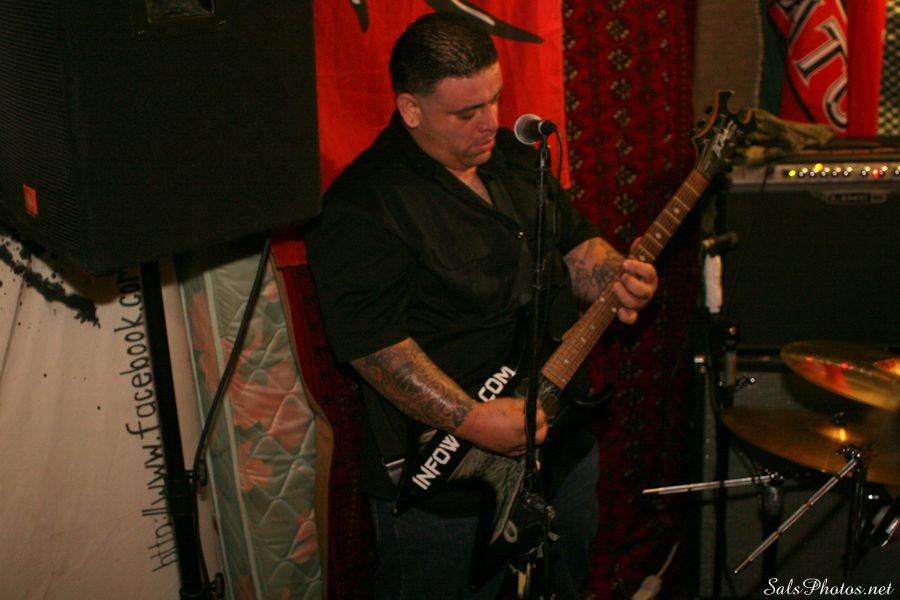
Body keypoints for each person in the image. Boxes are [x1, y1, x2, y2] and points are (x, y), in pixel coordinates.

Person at [305, 11, 658, 599]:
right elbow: (374, 347)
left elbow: (576, 246)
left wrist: (615, 275)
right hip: (449, 476)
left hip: (559, 437)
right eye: (466, 112)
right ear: (411, 109)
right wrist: (471, 420)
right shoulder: (363, 205)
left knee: (568, 582)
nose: (490, 123)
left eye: (494, 99)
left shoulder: (515, 156)